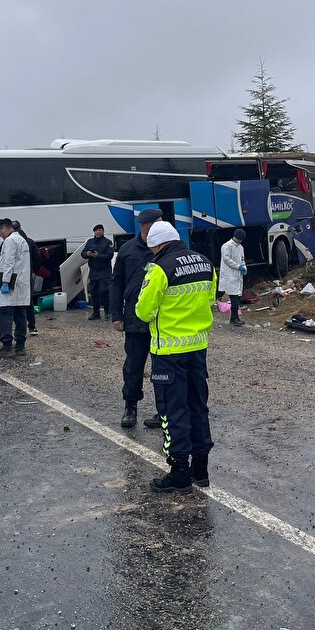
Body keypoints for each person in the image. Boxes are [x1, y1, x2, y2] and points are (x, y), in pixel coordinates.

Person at [135, 220, 217, 494]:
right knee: (198, 405)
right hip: (197, 348)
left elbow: (143, 311)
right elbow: (210, 300)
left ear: (157, 244)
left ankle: (179, 472)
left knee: (173, 410)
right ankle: (201, 469)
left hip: (168, 352)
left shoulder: (159, 268)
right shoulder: (204, 262)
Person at [109, 207, 162, 428]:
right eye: (149, 225)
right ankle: (130, 407)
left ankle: (164, 411)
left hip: (161, 320)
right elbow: (116, 283)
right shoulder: (128, 250)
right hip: (134, 319)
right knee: (133, 366)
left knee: (163, 368)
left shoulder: (165, 250)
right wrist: (116, 315)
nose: (153, 228)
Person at [0, 218, 30, 357]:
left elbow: (8, 263)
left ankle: (6, 345)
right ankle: (20, 345)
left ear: (4, 228)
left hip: (10, 285)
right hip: (22, 284)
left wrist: (5, 282)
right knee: (20, 315)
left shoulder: (9, 241)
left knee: (4, 315)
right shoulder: (22, 240)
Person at [12, 221, 42, 337]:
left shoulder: (8, 242)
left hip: (12, 277)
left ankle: (18, 328)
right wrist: (32, 270)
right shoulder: (29, 242)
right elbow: (38, 258)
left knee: (14, 302)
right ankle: (32, 326)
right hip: (27, 275)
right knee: (28, 300)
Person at [81, 224, 114, 320]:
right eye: (96, 230)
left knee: (104, 291)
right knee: (94, 293)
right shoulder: (90, 242)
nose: (98, 232)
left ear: (103, 231)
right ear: (94, 232)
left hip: (105, 272)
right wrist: (87, 254)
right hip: (94, 272)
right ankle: (96, 313)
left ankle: (108, 312)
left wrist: (98, 256)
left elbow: (109, 256)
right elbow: (82, 254)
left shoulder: (107, 242)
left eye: (100, 230)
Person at [219, 229, 247, 327]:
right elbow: (227, 259)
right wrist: (238, 266)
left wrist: (243, 267)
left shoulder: (240, 247)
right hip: (229, 275)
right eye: (239, 239)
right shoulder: (227, 246)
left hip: (237, 275)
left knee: (237, 297)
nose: (240, 241)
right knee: (234, 298)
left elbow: (242, 259)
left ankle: (235, 318)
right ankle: (234, 318)